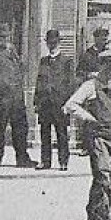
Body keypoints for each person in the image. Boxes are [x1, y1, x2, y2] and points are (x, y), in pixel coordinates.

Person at [64, 54, 111, 220]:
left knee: (107, 178)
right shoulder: (90, 86)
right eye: (109, 67)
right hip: (98, 137)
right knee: (103, 177)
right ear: (102, 67)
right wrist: (89, 118)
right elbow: (70, 105)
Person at [0, 24, 36, 168]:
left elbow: (18, 69)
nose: (6, 39)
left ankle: (22, 158)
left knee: (20, 128)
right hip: (1, 97)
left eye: (8, 36)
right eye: (3, 36)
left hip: (16, 96)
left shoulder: (11, 51)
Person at [34, 29, 73, 171]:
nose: (52, 45)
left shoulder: (67, 61)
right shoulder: (43, 61)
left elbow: (70, 84)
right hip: (45, 103)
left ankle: (63, 161)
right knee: (45, 133)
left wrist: (67, 103)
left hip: (59, 103)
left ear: (59, 43)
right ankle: (45, 161)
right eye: (49, 43)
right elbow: (39, 81)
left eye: (54, 43)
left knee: (61, 133)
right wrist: (36, 101)